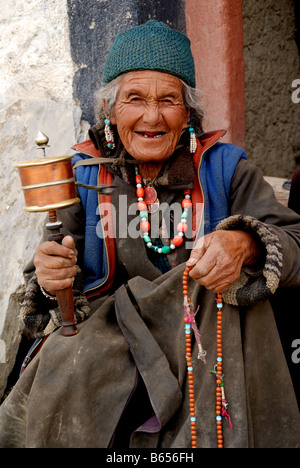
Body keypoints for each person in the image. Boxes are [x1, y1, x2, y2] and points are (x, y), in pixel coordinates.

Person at [0, 20, 299, 448]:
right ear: (110, 110)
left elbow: (294, 242)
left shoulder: (225, 169)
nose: (152, 116)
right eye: (134, 99)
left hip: (202, 336)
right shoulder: (82, 176)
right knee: (63, 376)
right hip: (111, 341)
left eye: (169, 100)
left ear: (188, 113)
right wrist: (51, 281)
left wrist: (247, 243)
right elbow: (47, 277)